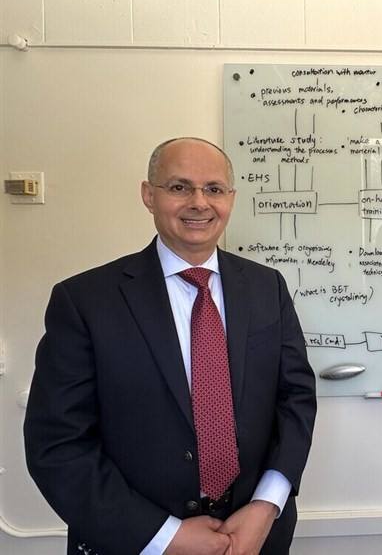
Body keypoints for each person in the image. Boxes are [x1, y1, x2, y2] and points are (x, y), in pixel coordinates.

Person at [24, 137, 316, 555]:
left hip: (254, 538)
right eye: (179, 187)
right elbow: (57, 445)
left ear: (230, 199)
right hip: (132, 543)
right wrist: (165, 537)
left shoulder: (267, 287)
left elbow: (296, 401)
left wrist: (267, 505)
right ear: (149, 195)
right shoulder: (85, 301)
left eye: (214, 189)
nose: (199, 202)